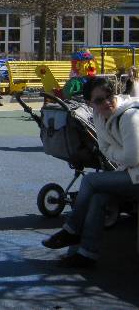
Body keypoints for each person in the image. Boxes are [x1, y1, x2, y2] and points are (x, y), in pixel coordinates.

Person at [41, 78, 139, 268]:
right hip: (131, 174)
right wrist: (119, 154)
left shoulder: (130, 116)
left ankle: (71, 229)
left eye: (109, 96)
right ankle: (87, 254)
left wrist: (116, 154)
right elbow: (104, 147)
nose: (107, 102)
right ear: (89, 103)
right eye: (99, 100)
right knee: (98, 198)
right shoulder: (99, 115)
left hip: (135, 174)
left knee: (90, 181)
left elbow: (132, 157)